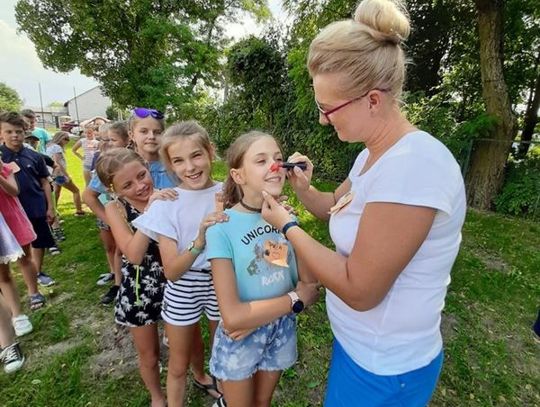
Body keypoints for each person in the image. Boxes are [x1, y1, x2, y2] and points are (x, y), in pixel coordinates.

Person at [259, 1, 467, 405]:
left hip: (385, 368)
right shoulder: (372, 155)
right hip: (360, 348)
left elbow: (360, 289)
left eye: (327, 108)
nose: (322, 119)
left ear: (372, 100)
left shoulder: (414, 168)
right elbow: (333, 207)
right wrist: (304, 190)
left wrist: (287, 226)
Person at [205, 131, 320, 407]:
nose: (275, 165)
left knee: (262, 402)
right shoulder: (221, 228)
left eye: (278, 158)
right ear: (238, 175)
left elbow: (311, 288)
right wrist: (296, 299)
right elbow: (233, 317)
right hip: (241, 337)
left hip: (280, 329)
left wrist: (289, 226)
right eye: (261, 160)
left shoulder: (286, 220)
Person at [134, 121, 228, 407]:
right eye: (178, 160)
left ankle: (225, 398)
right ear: (170, 165)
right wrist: (199, 240)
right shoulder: (167, 204)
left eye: (196, 155)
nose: (190, 167)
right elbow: (172, 272)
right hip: (184, 286)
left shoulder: (229, 193)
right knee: (178, 363)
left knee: (225, 357)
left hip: (223, 281)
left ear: (210, 151)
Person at [96, 148, 176, 407]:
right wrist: (151, 212)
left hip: (174, 283)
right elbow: (133, 254)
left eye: (142, 175)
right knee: (149, 355)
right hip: (139, 289)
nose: (140, 186)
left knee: (181, 346)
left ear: (147, 167)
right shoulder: (115, 208)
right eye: (127, 185)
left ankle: (196, 375)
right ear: (114, 190)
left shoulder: (167, 195)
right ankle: (157, 397)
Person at [0, 112, 57, 289]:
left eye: (18, 131)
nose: (14, 135)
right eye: (9, 132)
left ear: (25, 132)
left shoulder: (34, 156)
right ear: (1, 133)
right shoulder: (1, 157)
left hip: (35, 207)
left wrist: (51, 207)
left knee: (39, 242)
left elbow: (45, 182)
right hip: (12, 212)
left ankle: (38, 271)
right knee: (19, 249)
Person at [128, 108, 175, 189]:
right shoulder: (125, 167)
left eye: (157, 132)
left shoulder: (173, 166)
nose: (151, 136)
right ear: (132, 135)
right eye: (144, 131)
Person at [46, 131, 85, 216]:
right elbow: (57, 162)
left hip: (52, 173)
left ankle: (54, 211)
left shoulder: (50, 146)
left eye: (68, 139)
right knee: (76, 190)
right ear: (59, 138)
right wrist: (67, 176)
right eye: (66, 139)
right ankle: (79, 211)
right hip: (59, 174)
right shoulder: (57, 147)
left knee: (56, 193)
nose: (67, 141)